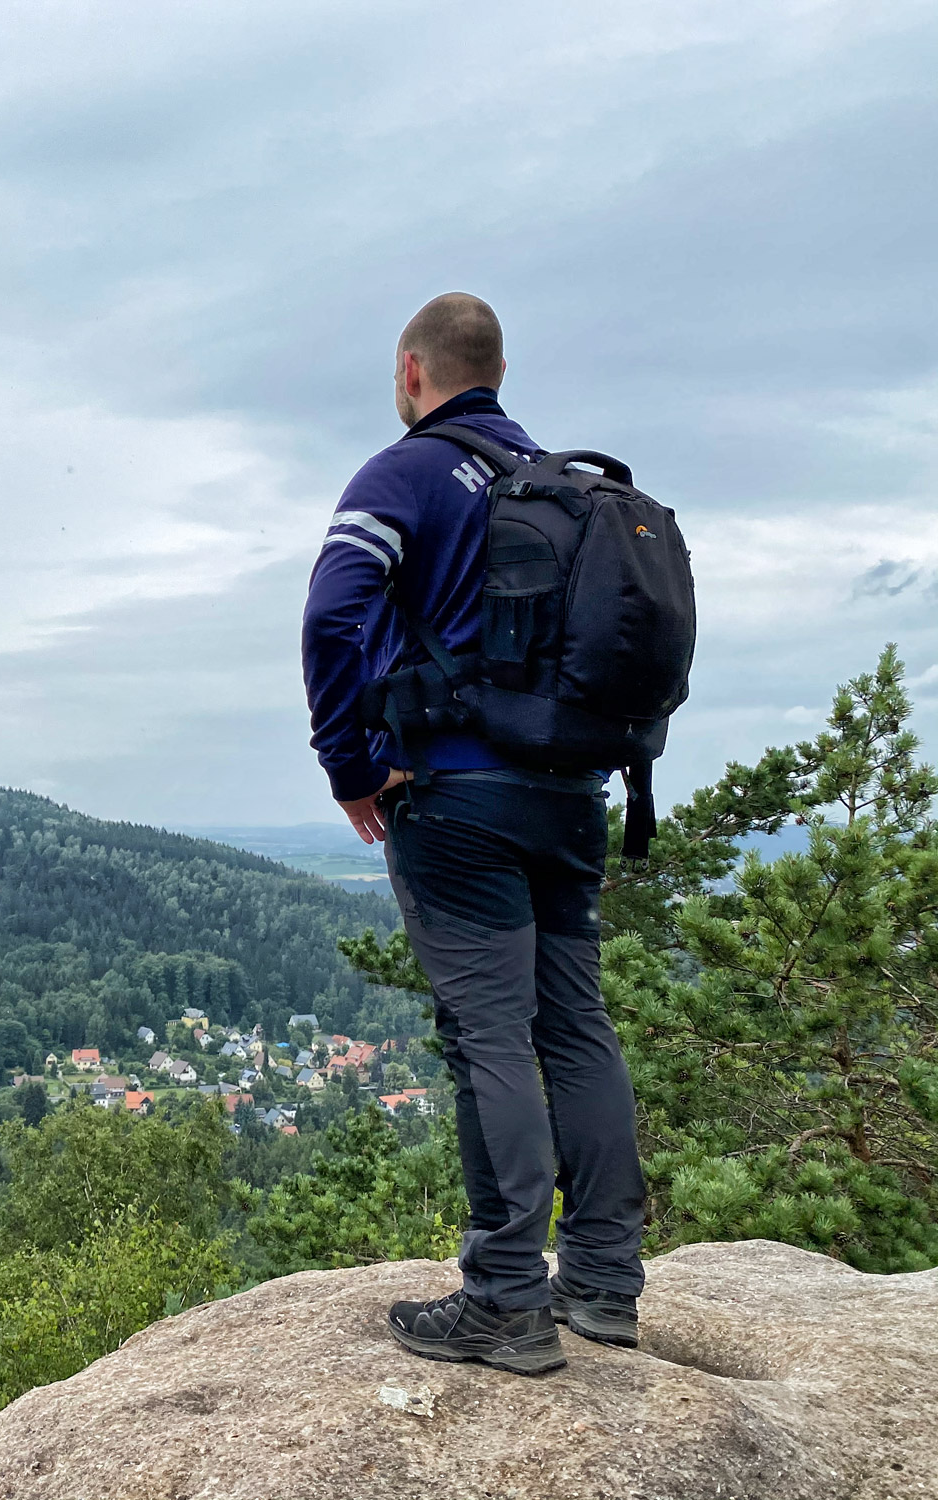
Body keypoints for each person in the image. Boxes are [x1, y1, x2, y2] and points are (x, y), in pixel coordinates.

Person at [300, 293, 647, 1376]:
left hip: (456, 800)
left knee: (486, 1037)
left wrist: (350, 763)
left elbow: (328, 615)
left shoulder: (404, 473)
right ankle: (599, 1284)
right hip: (570, 794)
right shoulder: (558, 487)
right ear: (497, 368)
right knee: (574, 1029)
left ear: (412, 370)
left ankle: (504, 1297)